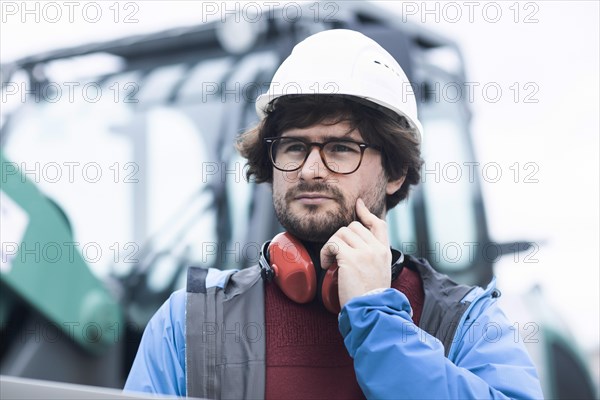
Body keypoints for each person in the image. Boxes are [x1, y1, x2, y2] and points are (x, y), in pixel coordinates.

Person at [124, 29, 543, 399]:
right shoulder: (190, 322)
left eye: (341, 148)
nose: (309, 169)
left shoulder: (466, 320)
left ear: (395, 171)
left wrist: (378, 322)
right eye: (294, 146)